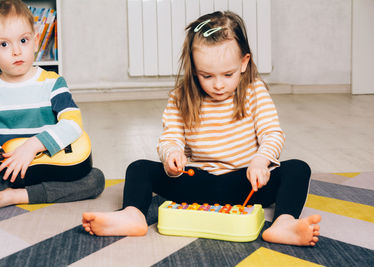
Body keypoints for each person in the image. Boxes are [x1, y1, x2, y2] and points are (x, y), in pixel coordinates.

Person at [82, 11, 321, 246]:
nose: (218, 85)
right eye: (206, 76)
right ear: (194, 69)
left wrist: (261, 160)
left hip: (246, 183)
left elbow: (272, 134)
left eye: (228, 74)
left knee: (298, 169)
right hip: (198, 183)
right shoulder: (180, 97)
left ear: (244, 62)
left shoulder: (254, 91)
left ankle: (284, 223)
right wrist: (172, 155)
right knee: (139, 168)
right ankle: (133, 215)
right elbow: (170, 138)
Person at [0, 0, 104, 207]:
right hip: (9, 171)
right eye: (4, 44)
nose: (16, 51)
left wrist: (32, 146)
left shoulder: (52, 83)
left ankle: (17, 196)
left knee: (95, 179)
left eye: (23, 40)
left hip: (48, 168)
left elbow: (73, 125)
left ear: (36, 41)